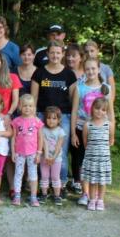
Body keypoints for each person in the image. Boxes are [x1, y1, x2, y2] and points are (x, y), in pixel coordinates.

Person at [31, 41, 76, 194]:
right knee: (41, 150)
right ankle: (42, 184)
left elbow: (72, 100)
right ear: (47, 54)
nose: (55, 55)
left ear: (62, 54)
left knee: (60, 151)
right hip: (42, 116)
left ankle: (60, 185)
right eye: (52, 53)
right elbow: (34, 97)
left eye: (58, 53)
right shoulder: (39, 73)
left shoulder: (69, 75)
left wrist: (70, 118)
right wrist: (34, 117)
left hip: (62, 117)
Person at [70, 57, 116, 205]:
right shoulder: (80, 87)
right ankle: (85, 193)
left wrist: (111, 133)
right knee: (83, 162)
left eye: (93, 68)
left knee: (98, 162)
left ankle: (97, 196)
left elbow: (110, 113)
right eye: (87, 69)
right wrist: (72, 133)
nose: (90, 71)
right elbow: (75, 111)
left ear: (98, 69)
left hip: (100, 131)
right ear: (84, 70)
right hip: (82, 128)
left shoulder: (105, 88)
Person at [11, 94, 44, 207]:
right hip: (19, 152)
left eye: (30, 106)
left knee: (33, 175)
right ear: (20, 106)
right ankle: (17, 195)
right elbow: (13, 137)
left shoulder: (37, 121)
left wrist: (39, 153)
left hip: (33, 153)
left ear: (34, 107)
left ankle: (33, 197)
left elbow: (40, 138)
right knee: (18, 174)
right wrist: (13, 152)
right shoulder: (16, 121)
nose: (27, 108)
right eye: (25, 106)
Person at [81, 97, 113, 211]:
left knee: (102, 181)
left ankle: (100, 200)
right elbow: (85, 142)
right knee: (93, 181)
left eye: (103, 110)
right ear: (92, 108)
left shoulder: (109, 125)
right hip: (91, 159)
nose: (100, 112)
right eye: (97, 108)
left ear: (106, 111)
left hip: (103, 159)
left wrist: (102, 151)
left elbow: (111, 140)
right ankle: (92, 199)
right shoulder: (87, 125)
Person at [39, 106, 66, 206]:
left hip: (56, 159)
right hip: (44, 158)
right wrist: (46, 157)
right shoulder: (42, 130)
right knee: (45, 176)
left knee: (55, 177)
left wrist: (53, 158)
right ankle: (44, 194)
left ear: (58, 120)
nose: (51, 121)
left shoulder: (60, 131)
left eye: (54, 118)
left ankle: (57, 195)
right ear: (45, 118)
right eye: (49, 118)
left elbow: (59, 146)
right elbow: (43, 144)